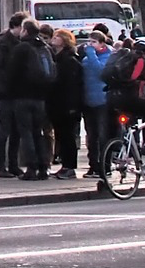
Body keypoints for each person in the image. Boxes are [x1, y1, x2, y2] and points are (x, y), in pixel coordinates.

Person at [6, 19, 52, 180]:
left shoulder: (22, 48)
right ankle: (44, 167)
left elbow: (11, 74)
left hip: (22, 96)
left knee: (26, 133)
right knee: (38, 133)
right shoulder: (44, 48)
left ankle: (31, 167)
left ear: (25, 31)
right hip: (41, 97)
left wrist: (10, 91)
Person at [0, 12, 28, 178]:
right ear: (16, 27)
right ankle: (0, 166)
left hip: (18, 92)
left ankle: (13, 164)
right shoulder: (4, 43)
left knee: (17, 130)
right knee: (5, 129)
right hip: (5, 92)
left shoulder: (20, 42)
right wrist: (10, 78)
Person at [47, 29, 84, 180]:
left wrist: (72, 106)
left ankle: (70, 167)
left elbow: (71, 85)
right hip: (58, 103)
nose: (54, 39)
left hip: (67, 105)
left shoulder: (69, 60)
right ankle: (65, 166)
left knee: (68, 136)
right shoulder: (57, 58)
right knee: (61, 135)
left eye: (57, 37)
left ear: (64, 40)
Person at [78, 32, 114, 178]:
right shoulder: (87, 58)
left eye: (94, 42)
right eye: (89, 42)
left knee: (102, 135)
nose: (90, 45)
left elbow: (101, 71)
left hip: (102, 101)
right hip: (88, 101)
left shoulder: (108, 57)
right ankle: (93, 165)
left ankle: (105, 166)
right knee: (91, 136)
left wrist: (91, 54)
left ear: (102, 44)